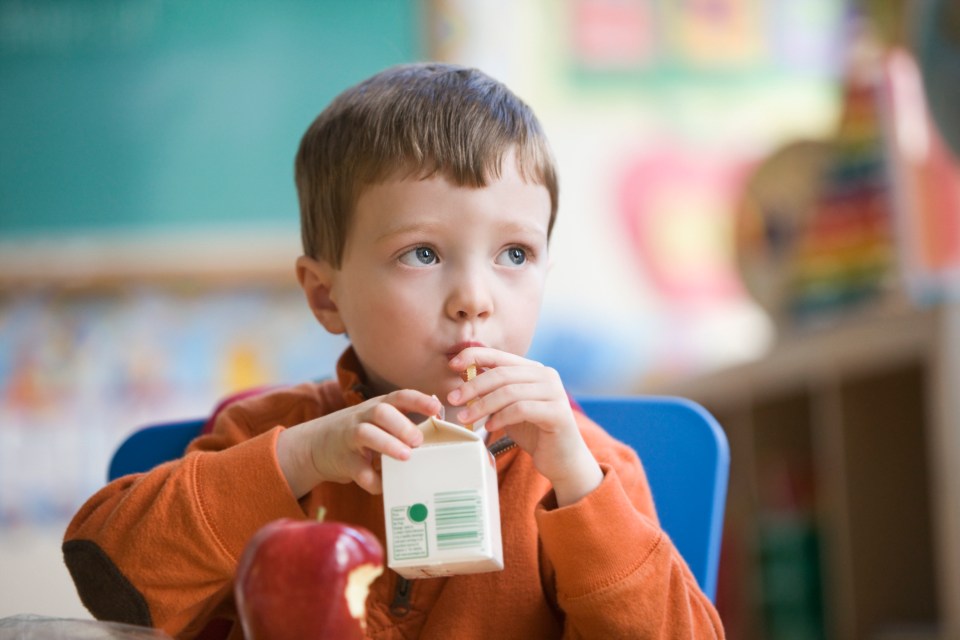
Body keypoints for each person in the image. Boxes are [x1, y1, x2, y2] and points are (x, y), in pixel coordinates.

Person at [63, 62, 725, 639]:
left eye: (514, 254)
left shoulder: (586, 469)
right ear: (325, 296)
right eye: (422, 253)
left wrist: (580, 488)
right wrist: (297, 460)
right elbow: (110, 581)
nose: (474, 297)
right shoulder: (270, 436)